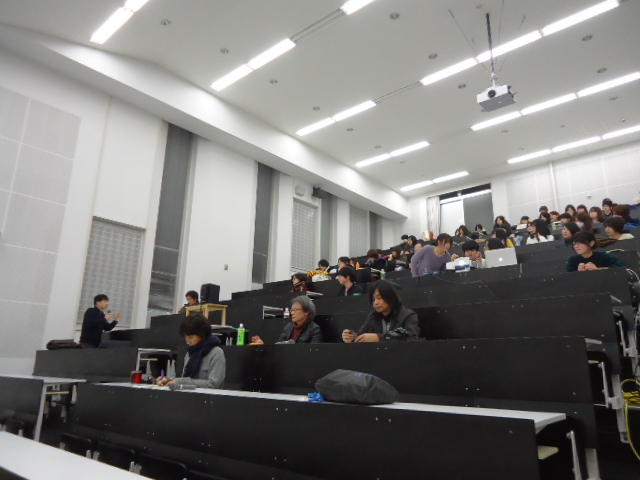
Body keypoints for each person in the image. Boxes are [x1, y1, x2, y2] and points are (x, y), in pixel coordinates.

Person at [157, 313, 225, 388]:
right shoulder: (190, 353)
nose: (187, 341)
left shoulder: (217, 353)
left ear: (202, 335)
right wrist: (169, 380)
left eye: (191, 337)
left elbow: (213, 384)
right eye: (185, 337)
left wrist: (180, 381)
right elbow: (185, 380)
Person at [341, 280, 419, 343]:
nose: (375, 303)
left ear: (390, 297)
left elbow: (410, 336)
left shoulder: (408, 315)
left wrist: (379, 338)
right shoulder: (373, 316)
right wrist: (353, 336)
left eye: (379, 298)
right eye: (373, 299)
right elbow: (362, 333)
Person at [251, 296, 322, 345]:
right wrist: (263, 346)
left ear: (306, 312)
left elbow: (313, 353)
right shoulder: (288, 327)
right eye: (291, 310)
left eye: (295, 310)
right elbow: (278, 347)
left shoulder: (314, 329)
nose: (292, 313)